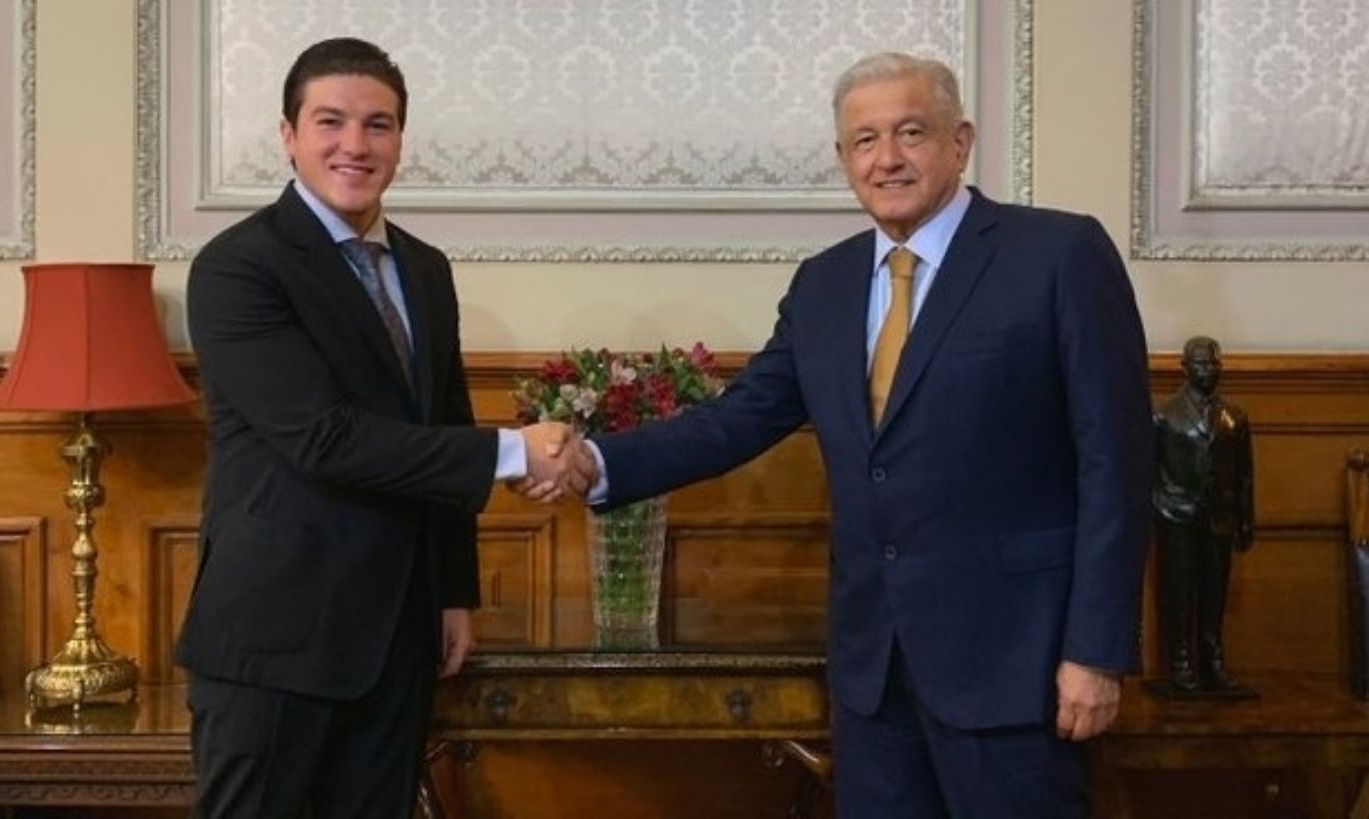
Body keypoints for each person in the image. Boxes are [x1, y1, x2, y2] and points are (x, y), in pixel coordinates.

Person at [531, 51, 1154, 818]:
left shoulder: (1058, 255)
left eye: (910, 132)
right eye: (865, 140)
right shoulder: (825, 282)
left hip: (1016, 668)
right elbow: (738, 419)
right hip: (873, 677)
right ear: (843, 158)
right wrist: (594, 460)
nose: (886, 158)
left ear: (960, 142)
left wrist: (1096, 650)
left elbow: (1116, 465)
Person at [177, 37, 584, 819]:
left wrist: (453, 592)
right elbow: (321, 438)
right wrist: (516, 450)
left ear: (400, 139)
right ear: (289, 135)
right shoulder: (239, 266)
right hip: (275, 640)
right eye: (330, 122)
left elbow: (443, 420)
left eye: (379, 124)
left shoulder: (425, 269)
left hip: (398, 634)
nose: (355, 145)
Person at [1153, 336, 1254, 693]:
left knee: (1215, 591)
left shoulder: (1234, 418)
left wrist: (1246, 520)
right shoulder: (1164, 415)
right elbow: (1150, 471)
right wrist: (1159, 508)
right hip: (1177, 517)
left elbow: (1244, 475)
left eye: (1213, 363)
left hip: (1219, 517)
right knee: (1179, 590)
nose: (1207, 370)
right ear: (1184, 367)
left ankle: (1213, 658)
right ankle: (1180, 661)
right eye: (1199, 363)